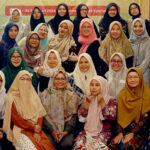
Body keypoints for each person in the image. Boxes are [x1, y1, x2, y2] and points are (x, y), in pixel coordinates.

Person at [3, 70, 55, 150]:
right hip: (21, 129)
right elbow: (17, 120)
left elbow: (40, 115)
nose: (25, 82)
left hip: (36, 128)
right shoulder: (11, 97)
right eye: (22, 79)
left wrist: (37, 130)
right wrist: (32, 127)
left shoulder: (33, 95)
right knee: (32, 147)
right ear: (17, 80)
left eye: (28, 79)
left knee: (45, 145)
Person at [40, 69, 80, 150]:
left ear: (66, 80)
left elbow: (73, 116)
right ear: (53, 80)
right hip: (49, 129)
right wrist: (52, 131)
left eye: (62, 79)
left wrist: (65, 132)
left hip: (66, 129)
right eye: (57, 79)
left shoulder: (72, 95)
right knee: (49, 144)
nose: (60, 81)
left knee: (66, 144)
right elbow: (43, 115)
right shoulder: (45, 94)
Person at [110, 67, 150, 150]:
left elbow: (145, 119)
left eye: (135, 77)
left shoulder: (146, 94)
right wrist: (120, 133)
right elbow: (119, 116)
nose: (132, 79)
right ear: (126, 79)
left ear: (140, 78)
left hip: (140, 130)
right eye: (130, 77)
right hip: (123, 129)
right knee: (113, 144)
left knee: (126, 147)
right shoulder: (122, 94)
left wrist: (132, 133)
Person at [73, 76, 117, 150]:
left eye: (97, 85)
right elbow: (81, 118)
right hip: (86, 131)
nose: (93, 87)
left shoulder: (111, 100)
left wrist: (102, 103)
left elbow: (111, 118)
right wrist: (87, 103)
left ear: (103, 86)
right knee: (78, 147)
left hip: (103, 132)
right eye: (91, 85)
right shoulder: (87, 98)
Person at [129, 18, 150, 88]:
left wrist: (138, 72)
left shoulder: (148, 41)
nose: (138, 28)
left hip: (145, 73)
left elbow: (148, 58)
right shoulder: (129, 42)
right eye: (135, 26)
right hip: (131, 73)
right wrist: (132, 72)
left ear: (144, 27)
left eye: (140, 26)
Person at [0, 71, 16, 150]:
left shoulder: (6, 97)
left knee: (8, 141)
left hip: (2, 125)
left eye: (0, 80)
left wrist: (1, 130)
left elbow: (6, 116)